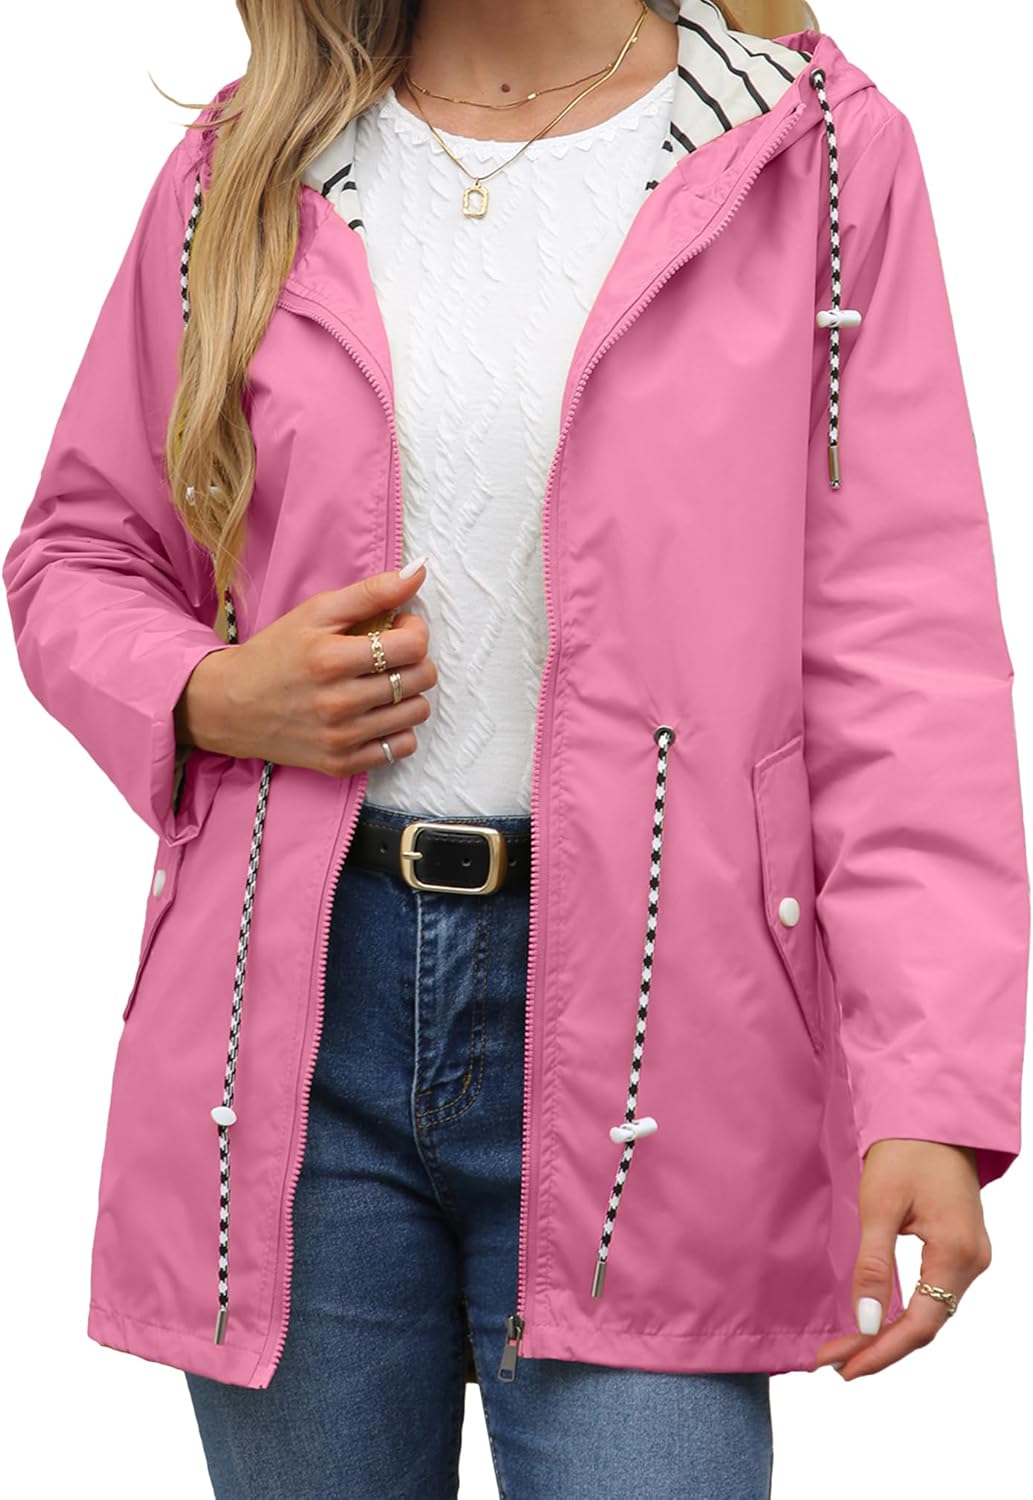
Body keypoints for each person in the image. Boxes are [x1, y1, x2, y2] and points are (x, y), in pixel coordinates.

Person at [3, 1, 1028, 1496]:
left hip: (668, 1034)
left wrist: (929, 1086)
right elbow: (80, 554)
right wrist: (210, 691)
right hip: (297, 1030)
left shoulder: (805, 155)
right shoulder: (246, 165)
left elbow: (902, 658)